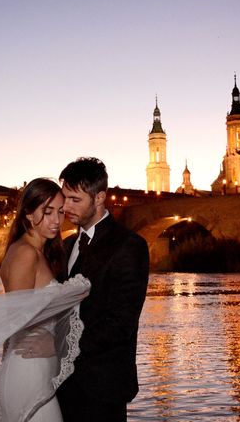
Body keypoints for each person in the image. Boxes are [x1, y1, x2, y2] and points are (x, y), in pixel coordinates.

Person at [56, 157, 149, 422]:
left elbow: (121, 323)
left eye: (75, 200)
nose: (66, 207)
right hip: (62, 385)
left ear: (99, 198)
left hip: (103, 387)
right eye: (65, 198)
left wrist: (63, 348)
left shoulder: (129, 246)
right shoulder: (67, 244)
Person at [0, 177, 87, 422]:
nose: (57, 220)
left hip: (37, 370)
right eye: (47, 212)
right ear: (28, 213)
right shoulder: (25, 253)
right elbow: (17, 320)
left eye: (60, 212)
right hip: (27, 369)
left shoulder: (39, 252)